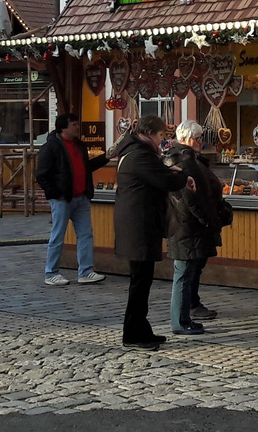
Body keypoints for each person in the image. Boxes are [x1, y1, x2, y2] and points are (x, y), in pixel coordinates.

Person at [113, 114, 192, 350]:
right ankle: (134, 334)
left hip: (140, 224)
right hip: (138, 226)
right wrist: (182, 176)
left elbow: (160, 173)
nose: (161, 141)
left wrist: (173, 171)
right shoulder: (139, 155)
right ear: (149, 133)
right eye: (160, 136)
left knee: (142, 280)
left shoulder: (138, 151)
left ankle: (140, 329)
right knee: (140, 282)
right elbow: (163, 180)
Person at [164, 120, 231, 336]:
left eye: (201, 138)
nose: (200, 142)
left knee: (188, 272)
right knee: (183, 273)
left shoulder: (187, 158)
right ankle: (180, 322)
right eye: (197, 138)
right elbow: (189, 200)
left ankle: (184, 318)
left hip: (187, 226)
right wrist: (206, 219)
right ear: (184, 138)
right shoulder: (183, 160)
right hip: (187, 227)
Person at [35, 113, 110, 285]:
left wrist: (105, 158)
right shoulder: (51, 147)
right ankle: (51, 272)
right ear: (64, 127)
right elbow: (41, 175)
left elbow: (86, 167)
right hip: (62, 198)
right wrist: (54, 193)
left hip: (81, 196)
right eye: (74, 124)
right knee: (58, 235)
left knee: (86, 234)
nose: (78, 127)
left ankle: (85, 271)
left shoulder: (79, 145)